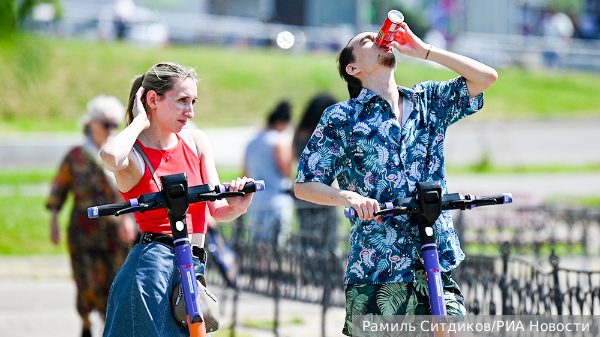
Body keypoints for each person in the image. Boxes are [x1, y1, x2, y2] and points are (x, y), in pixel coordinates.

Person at [294, 20, 498, 335]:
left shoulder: (428, 101)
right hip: (377, 264)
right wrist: (349, 197)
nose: (379, 38)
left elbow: (486, 78)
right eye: (367, 41)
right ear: (353, 69)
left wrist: (424, 51)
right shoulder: (341, 118)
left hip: (432, 252)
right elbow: (305, 184)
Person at [100, 62, 255, 337]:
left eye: (193, 101)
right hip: (152, 269)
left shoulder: (196, 141)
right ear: (152, 100)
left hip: (193, 266)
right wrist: (139, 121)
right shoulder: (135, 157)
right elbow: (110, 157)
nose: (190, 111)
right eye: (182, 100)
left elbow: (217, 210)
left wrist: (238, 206)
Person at [46, 95, 137, 337]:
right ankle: (86, 324)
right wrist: (53, 219)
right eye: (106, 124)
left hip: (115, 233)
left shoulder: (119, 154)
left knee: (115, 282)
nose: (110, 130)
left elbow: (128, 191)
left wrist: (128, 219)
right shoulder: (76, 156)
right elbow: (59, 187)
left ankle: (111, 327)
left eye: (114, 125)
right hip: (83, 232)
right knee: (85, 281)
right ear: (92, 123)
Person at [292, 92, 339, 254]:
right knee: (329, 239)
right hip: (325, 189)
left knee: (307, 236)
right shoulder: (325, 135)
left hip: (306, 189)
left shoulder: (299, 134)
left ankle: (309, 270)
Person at [243, 100, 293, 246]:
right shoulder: (279, 141)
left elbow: (245, 171)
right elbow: (286, 171)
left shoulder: (252, 141)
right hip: (277, 199)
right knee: (276, 244)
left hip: (256, 200)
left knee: (258, 245)